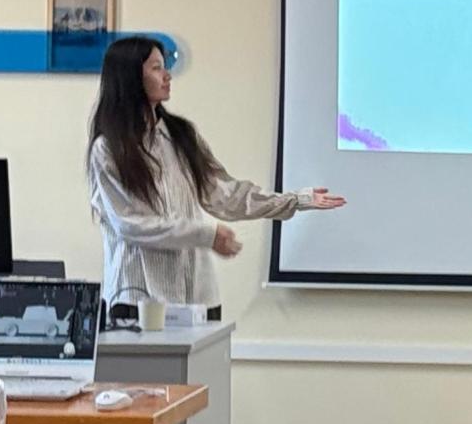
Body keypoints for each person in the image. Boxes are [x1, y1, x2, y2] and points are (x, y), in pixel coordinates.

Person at [88, 36, 344, 318]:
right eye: (157, 68)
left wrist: (295, 200)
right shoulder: (108, 149)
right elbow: (132, 224)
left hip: (197, 298)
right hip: (137, 300)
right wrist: (207, 234)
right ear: (129, 77)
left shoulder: (180, 136)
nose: (167, 76)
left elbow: (224, 195)